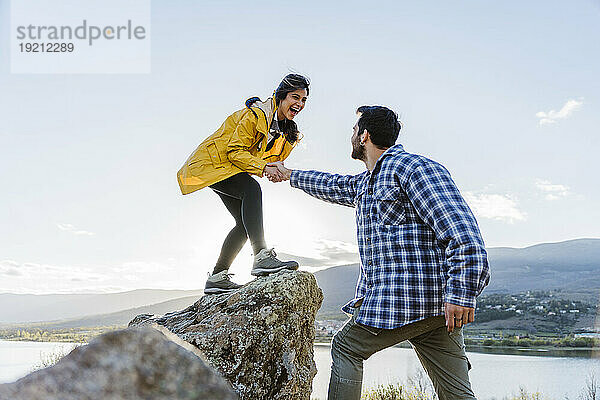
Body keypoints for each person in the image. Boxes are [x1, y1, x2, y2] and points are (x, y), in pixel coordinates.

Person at [268, 106, 491, 400]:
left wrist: (462, 293)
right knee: (457, 395)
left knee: (347, 347)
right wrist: (289, 175)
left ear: (365, 136)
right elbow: (332, 184)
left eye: (353, 131)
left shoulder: (414, 168)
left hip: (409, 301)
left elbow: (463, 234)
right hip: (434, 310)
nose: (350, 136)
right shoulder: (368, 181)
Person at [177, 74, 310, 294]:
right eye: (295, 97)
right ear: (281, 96)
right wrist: (264, 169)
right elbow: (234, 150)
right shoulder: (256, 116)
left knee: (244, 222)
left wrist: (274, 168)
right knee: (251, 189)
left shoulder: (279, 127)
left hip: (226, 167)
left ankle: (217, 277)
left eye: (304, 100)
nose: (300, 103)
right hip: (212, 164)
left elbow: (264, 158)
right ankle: (261, 256)